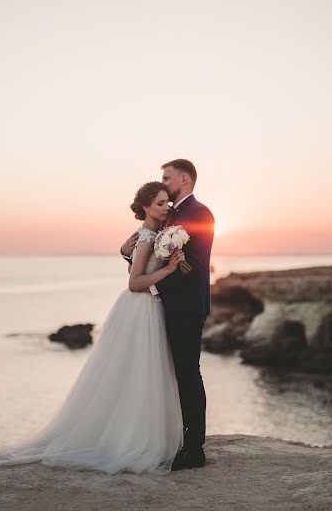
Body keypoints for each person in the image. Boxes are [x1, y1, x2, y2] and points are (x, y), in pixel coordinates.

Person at [0, 182, 184, 474]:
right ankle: (128, 439)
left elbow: (134, 269)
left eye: (168, 202)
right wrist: (168, 269)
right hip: (139, 309)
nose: (166, 207)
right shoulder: (146, 236)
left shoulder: (153, 235)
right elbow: (134, 283)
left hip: (145, 309)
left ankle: (132, 433)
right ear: (145, 207)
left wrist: (131, 257)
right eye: (160, 203)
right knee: (135, 372)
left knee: (136, 373)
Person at [121, 159, 215, 471]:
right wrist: (128, 253)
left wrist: (158, 287)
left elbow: (194, 266)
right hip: (166, 305)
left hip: (186, 306)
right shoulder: (170, 213)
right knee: (172, 374)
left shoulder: (199, 214)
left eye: (167, 177)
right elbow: (150, 258)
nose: (163, 181)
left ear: (184, 179)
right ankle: (172, 441)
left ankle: (194, 449)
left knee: (188, 373)